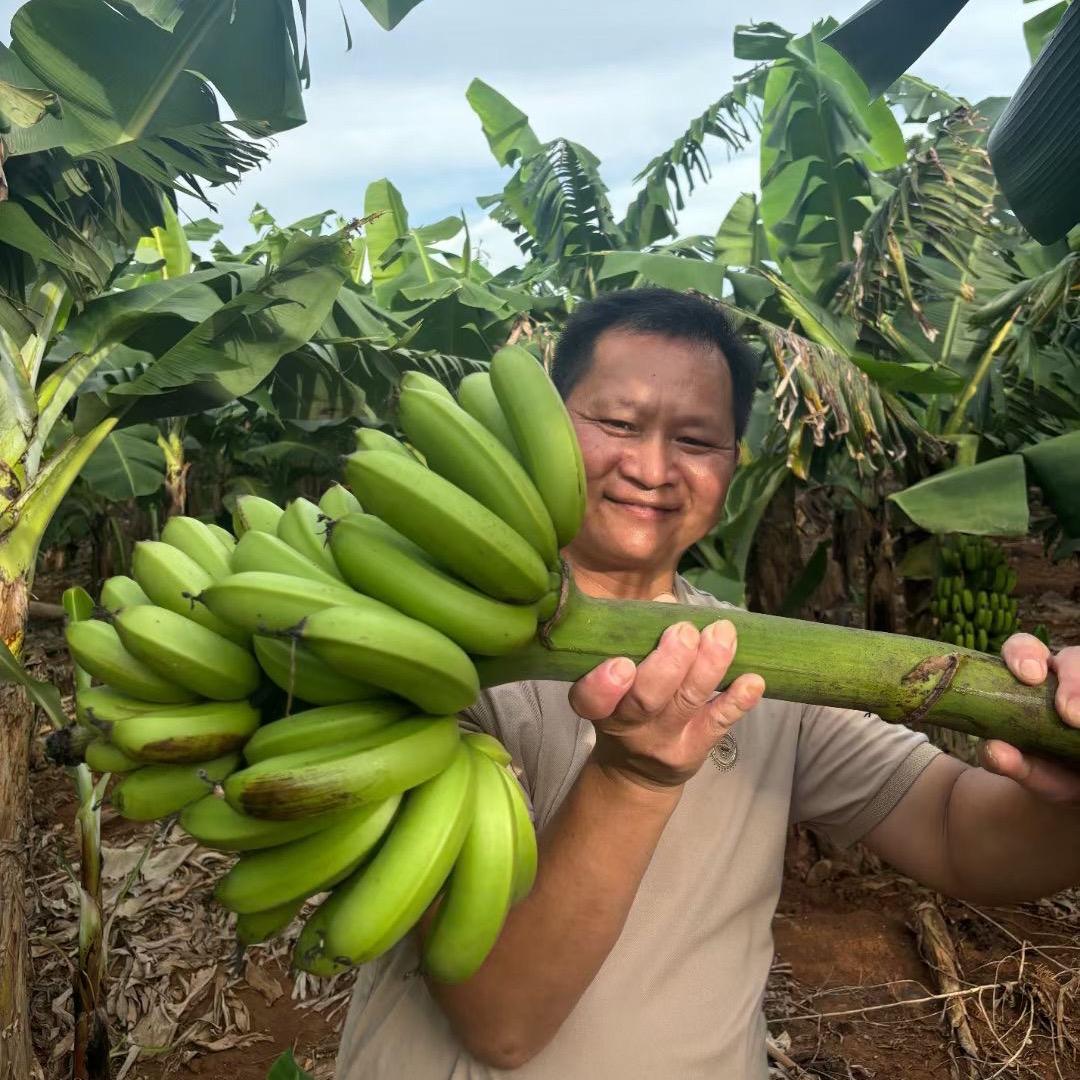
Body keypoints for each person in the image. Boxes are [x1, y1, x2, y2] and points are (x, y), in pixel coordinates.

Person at [335, 288, 1080, 1079]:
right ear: (546, 424)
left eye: (695, 440)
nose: (651, 469)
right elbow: (501, 1019)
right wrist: (634, 777)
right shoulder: (423, 652)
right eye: (618, 424)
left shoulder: (769, 663)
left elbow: (957, 832)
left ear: (731, 463)